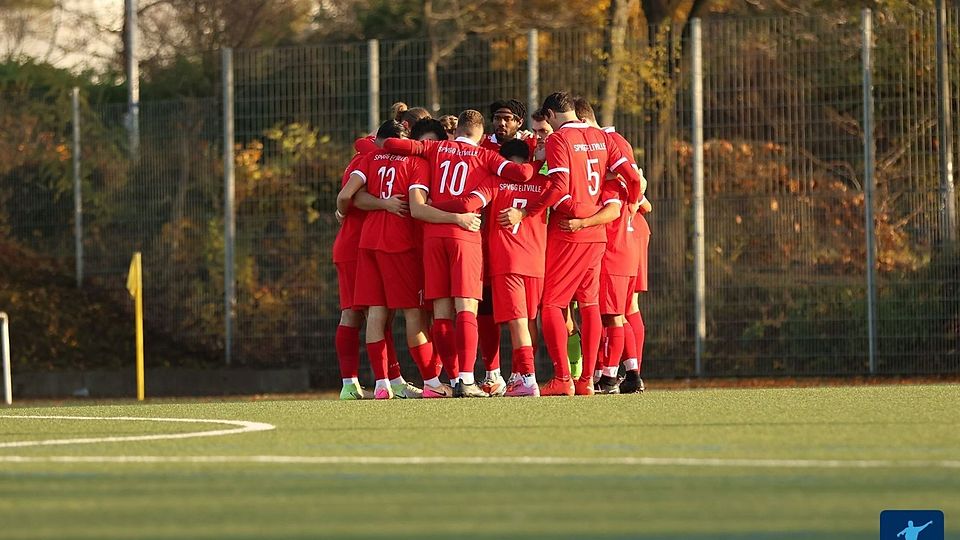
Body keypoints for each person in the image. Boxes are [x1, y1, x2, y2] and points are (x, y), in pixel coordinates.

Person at [499, 92, 643, 396]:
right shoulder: (600, 136)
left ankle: (563, 378)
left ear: (550, 115)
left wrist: (526, 211)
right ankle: (587, 380)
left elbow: (560, 187)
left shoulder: (559, 139)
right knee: (590, 304)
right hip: (597, 233)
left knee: (552, 303)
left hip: (569, 230)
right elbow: (631, 174)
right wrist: (634, 199)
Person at [385, 109, 534, 397]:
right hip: (464, 236)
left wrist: (436, 205)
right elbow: (523, 173)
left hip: (432, 236)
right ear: (479, 133)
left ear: (460, 129)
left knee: (441, 311)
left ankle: (452, 380)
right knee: (466, 308)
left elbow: (392, 145)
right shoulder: (486, 157)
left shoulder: (437, 148)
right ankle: (466, 379)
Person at [337, 120, 480, 399]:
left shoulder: (370, 157)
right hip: (398, 244)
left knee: (376, 313)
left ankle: (381, 386)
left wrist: (344, 212)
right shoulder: (417, 163)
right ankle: (431, 382)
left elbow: (347, 196)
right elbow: (416, 207)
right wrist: (457, 218)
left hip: (367, 242)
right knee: (414, 313)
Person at [431, 139, 549, 397]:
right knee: (530, 322)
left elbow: (467, 204)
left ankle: (528, 379)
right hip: (536, 262)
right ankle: (520, 376)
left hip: (508, 261)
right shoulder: (543, 183)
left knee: (517, 322)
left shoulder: (495, 182)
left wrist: (431, 206)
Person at [332, 136, 406, 400]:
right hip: (357, 246)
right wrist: (344, 210)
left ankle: (372, 381)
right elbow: (346, 197)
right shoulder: (370, 159)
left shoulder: (366, 154)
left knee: (374, 314)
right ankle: (372, 382)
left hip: (359, 244)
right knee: (364, 313)